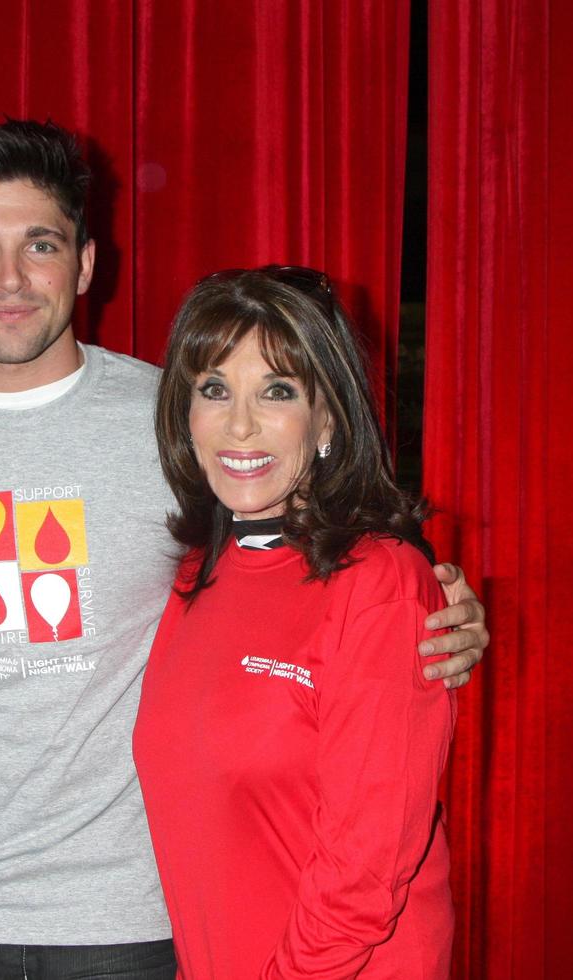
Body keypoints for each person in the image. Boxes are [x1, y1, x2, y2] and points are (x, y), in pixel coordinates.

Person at [0, 119, 486, 978]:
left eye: (40, 244)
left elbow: (318, 557)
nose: (9, 279)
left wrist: (438, 618)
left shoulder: (178, 424)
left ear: (86, 264)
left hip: (135, 916)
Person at [134, 265, 455, 977]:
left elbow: (364, 873)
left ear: (329, 419)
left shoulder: (381, 583)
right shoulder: (198, 574)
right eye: (214, 389)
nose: (239, 423)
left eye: (277, 392)